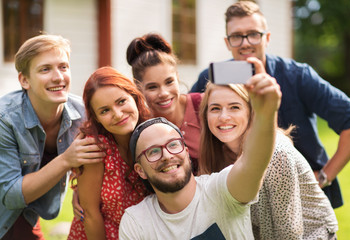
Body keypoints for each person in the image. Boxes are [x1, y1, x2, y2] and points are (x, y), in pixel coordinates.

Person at [190, 1, 350, 208]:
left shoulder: (297, 76)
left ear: (267, 38)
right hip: (239, 199)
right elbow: (186, 121)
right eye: (236, 36)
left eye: (253, 34)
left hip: (300, 198)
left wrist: (324, 176)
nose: (245, 43)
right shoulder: (212, 79)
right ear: (227, 42)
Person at [118, 57, 281, 240]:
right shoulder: (136, 221)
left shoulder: (221, 191)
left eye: (173, 145)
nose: (166, 155)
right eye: (153, 152)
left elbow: (253, 163)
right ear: (140, 170)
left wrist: (266, 113)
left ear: (187, 153)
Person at [198, 82, 338, 239]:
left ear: (251, 112)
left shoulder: (276, 154)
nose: (223, 117)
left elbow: (289, 233)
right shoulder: (217, 152)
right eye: (215, 108)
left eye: (234, 107)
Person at [0, 34, 105, 240]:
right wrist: (66, 160)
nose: (58, 77)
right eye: (45, 69)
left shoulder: (84, 115)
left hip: (26, 217)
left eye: (63, 67)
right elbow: (11, 195)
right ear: (24, 80)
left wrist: (80, 188)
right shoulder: (5, 119)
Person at [67, 66, 151, 240]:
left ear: (134, 97)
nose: (118, 114)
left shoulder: (152, 135)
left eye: (121, 101)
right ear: (96, 117)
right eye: (105, 110)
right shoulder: (96, 148)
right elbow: (90, 214)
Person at [126, 33, 202, 174]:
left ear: (177, 77)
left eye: (169, 82)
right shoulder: (140, 125)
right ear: (138, 88)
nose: (164, 93)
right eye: (152, 87)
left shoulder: (203, 106)